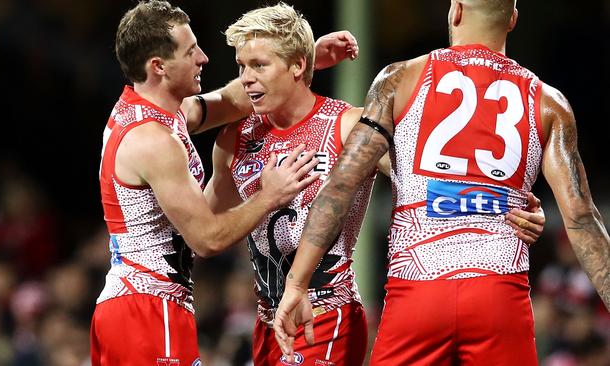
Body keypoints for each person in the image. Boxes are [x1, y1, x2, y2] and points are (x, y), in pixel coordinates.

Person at [204, 3, 546, 365]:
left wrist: (503, 206)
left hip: (327, 314)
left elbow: (427, 180)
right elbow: (208, 235)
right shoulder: (234, 139)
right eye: (241, 66)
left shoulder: (347, 124)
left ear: (297, 65)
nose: (246, 78)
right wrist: (265, 198)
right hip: (267, 320)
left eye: (258, 65)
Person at [274, 0, 610, 365]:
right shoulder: (547, 101)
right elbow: (581, 218)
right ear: (512, 19)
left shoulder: (400, 79)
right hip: (499, 293)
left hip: (417, 290)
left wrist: (297, 281)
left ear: (456, 11)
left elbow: (343, 181)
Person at [90, 1, 360, 365]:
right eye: (190, 51)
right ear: (159, 67)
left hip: (128, 304)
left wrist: (303, 58)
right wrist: (269, 196)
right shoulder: (153, 139)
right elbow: (207, 239)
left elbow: (232, 100)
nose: (203, 58)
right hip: (149, 308)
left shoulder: (151, 112)